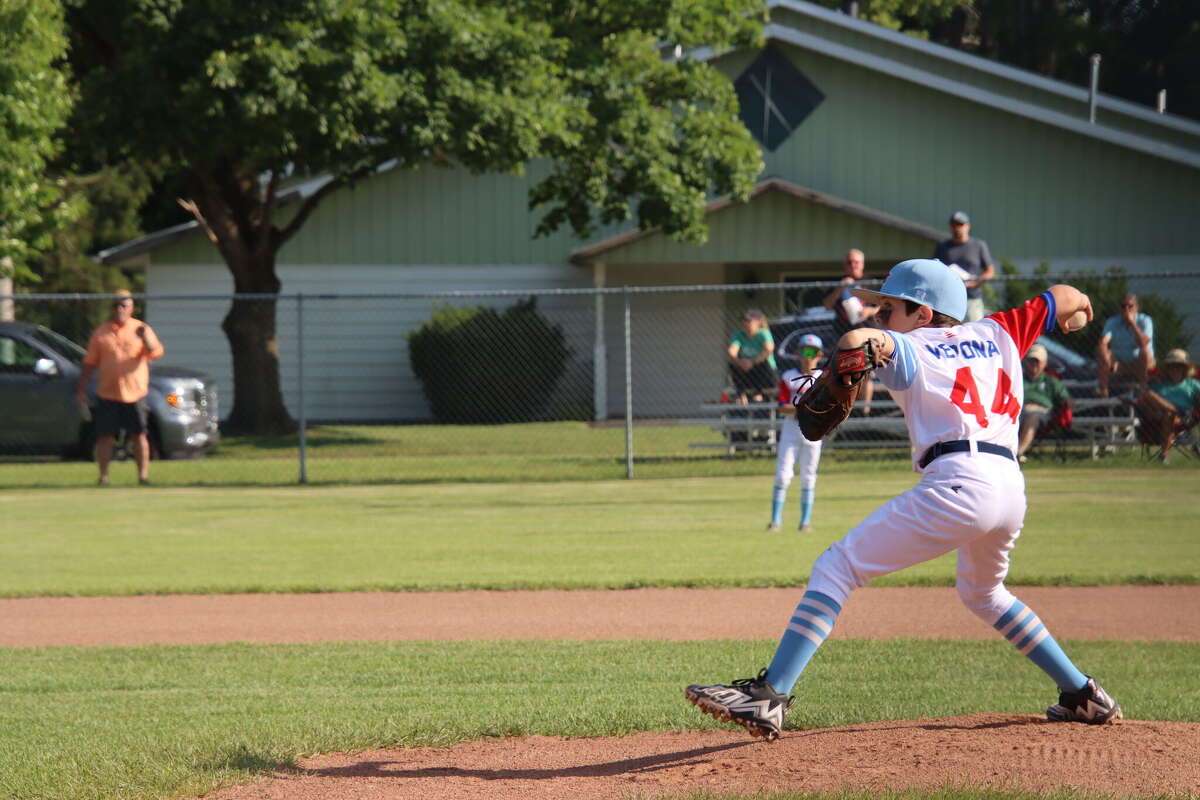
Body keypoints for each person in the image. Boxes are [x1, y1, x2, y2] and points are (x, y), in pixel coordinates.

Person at [686, 259, 1121, 741]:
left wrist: (845, 360)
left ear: (924, 314)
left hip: (957, 481)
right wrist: (1080, 312)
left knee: (838, 566)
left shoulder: (915, 346)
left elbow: (857, 342)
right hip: (1009, 486)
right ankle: (1082, 693)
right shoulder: (1000, 331)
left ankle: (770, 695)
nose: (880, 317)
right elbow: (1066, 296)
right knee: (984, 592)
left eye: (889, 308)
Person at [76, 290, 165, 485]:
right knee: (105, 436)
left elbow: (156, 352)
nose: (120, 309)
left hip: (135, 393)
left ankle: (143, 476)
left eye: (124, 305)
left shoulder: (141, 329)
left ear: (131, 308)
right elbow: (90, 362)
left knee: (139, 435)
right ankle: (103, 477)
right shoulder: (101, 332)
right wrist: (81, 390)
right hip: (107, 393)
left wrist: (145, 338)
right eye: (116, 305)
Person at [767, 334, 825, 533]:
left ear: (819, 355)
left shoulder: (823, 378)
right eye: (804, 351)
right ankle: (775, 521)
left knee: (808, 475)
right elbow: (782, 405)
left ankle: (805, 521)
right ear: (797, 353)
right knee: (783, 475)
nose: (808, 356)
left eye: (812, 352)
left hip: (814, 429)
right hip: (792, 427)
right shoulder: (788, 376)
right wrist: (803, 409)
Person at [823, 249, 877, 414]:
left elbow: (883, 305)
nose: (853, 265)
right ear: (844, 265)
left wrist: (869, 311)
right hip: (843, 336)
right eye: (849, 262)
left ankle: (864, 413)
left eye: (856, 262)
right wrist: (840, 288)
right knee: (845, 375)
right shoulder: (838, 282)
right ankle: (847, 410)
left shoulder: (871, 282)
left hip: (866, 334)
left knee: (866, 374)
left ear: (862, 264)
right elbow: (827, 305)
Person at [1135, 348, 1200, 462]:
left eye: (1178, 366)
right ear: (1167, 368)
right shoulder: (1159, 384)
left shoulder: (1192, 384)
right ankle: (1164, 456)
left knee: (1168, 416)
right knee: (1149, 394)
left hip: (1183, 417)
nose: (1175, 369)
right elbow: (1143, 396)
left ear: (1185, 368)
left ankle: (1164, 455)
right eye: (1171, 366)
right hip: (1156, 417)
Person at [933, 211, 994, 322]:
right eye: (954, 225)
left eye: (960, 225)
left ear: (968, 226)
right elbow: (935, 269)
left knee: (972, 333)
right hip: (949, 300)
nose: (957, 228)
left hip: (971, 299)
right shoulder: (942, 247)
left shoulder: (978, 245)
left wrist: (975, 281)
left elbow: (989, 271)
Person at [1016, 343, 1072, 462]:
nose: (1034, 365)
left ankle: (1017, 453)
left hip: (1041, 413)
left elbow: (1066, 400)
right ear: (1026, 361)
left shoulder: (1051, 381)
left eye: (1037, 361)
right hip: (1019, 411)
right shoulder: (1018, 378)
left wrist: (1064, 408)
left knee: (1033, 417)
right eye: (1031, 361)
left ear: (1045, 363)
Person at [1096, 294, 1154, 397]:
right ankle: (1103, 388)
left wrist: (1132, 323)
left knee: (1144, 350)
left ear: (1136, 308)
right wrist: (1104, 351)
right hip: (1119, 362)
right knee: (1102, 350)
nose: (1126, 309)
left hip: (1141, 363)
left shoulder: (1145, 320)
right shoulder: (1112, 322)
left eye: (1130, 306)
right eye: (1123, 306)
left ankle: (1143, 387)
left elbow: (1143, 342)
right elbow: (1104, 341)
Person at [727, 309, 776, 404]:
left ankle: (758, 393)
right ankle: (741, 394)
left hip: (766, 376)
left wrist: (752, 362)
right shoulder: (738, 335)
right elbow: (731, 351)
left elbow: (768, 350)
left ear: (758, 322)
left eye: (749, 321)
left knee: (762, 363)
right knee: (733, 364)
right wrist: (740, 362)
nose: (745, 323)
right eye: (744, 321)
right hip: (747, 373)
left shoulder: (763, 333)